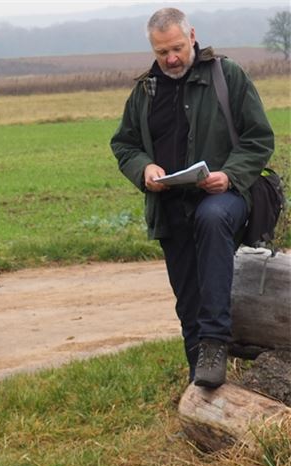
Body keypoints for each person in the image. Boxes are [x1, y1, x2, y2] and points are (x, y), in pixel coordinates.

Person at [111, 7, 274, 387]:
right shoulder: (145, 90)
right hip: (170, 205)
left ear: (192, 37)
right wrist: (144, 169)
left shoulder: (226, 75)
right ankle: (199, 380)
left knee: (211, 218)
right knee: (187, 300)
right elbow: (124, 144)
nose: (171, 58)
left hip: (226, 195)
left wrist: (229, 175)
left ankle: (215, 342)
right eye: (161, 52)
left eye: (177, 48)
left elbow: (259, 138)